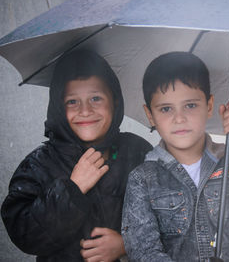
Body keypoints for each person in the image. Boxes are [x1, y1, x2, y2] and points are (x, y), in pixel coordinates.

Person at [121, 52, 229, 262]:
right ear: (150, 115)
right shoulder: (143, 179)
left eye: (190, 105)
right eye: (166, 109)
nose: (179, 118)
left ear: (209, 106)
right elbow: (143, 251)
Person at [1, 50, 152, 262]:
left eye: (96, 98)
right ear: (58, 108)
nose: (85, 110)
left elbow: (170, 218)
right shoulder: (39, 164)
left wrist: (128, 244)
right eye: (72, 101)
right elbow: (24, 234)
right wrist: (72, 189)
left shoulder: (137, 152)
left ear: (115, 101)